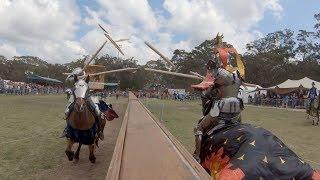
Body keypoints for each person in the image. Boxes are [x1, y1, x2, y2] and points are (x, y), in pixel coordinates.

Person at [193, 63, 243, 163]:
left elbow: (208, 93)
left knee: (198, 128)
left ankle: (197, 156)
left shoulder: (219, 74)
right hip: (237, 104)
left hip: (222, 105)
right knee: (238, 124)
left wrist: (205, 87)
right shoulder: (236, 76)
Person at [64, 67, 105, 140]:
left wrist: (90, 77)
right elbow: (69, 80)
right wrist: (75, 75)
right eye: (79, 73)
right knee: (67, 111)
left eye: (81, 73)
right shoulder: (75, 80)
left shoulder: (86, 78)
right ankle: (67, 129)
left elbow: (92, 84)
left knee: (97, 111)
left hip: (87, 97)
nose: (80, 74)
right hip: (75, 97)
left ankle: (99, 131)